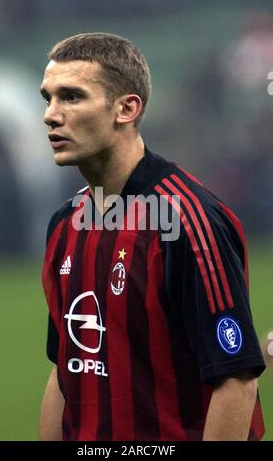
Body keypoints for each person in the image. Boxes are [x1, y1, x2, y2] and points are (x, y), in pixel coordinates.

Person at [39, 32, 265, 441]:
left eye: (71, 97)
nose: (51, 115)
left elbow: (236, 379)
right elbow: (65, 369)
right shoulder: (65, 224)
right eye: (48, 98)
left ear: (126, 108)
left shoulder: (186, 221)